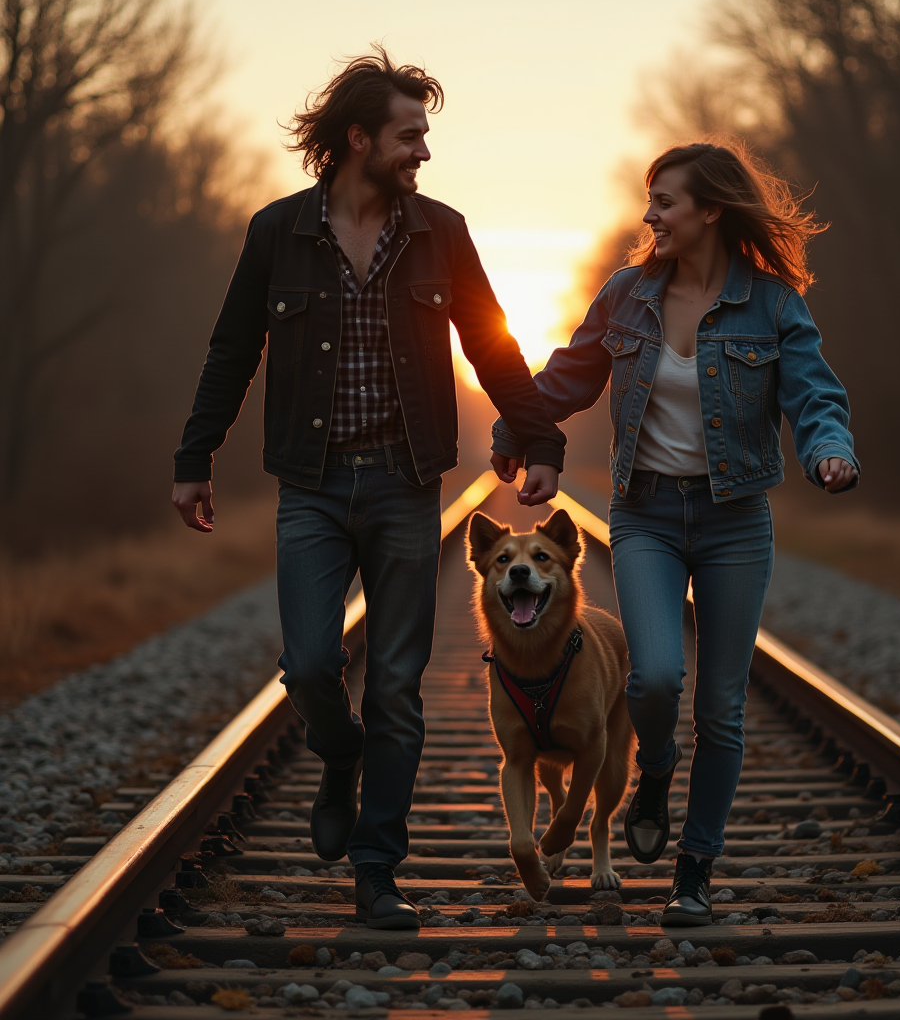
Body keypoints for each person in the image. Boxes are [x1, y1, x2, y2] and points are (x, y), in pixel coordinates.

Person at [171, 48, 564, 930]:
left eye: (423, 134)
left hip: (403, 484)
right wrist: (194, 458)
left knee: (395, 684)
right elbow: (233, 350)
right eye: (408, 134)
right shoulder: (277, 233)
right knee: (312, 666)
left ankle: (377, 872)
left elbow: (494, 344)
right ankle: (338, 755)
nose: (422, 149)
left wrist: (538, 435)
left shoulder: (441, 231)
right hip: (310, 487)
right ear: (359, 139)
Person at [491, 142, 858, 925]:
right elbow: (567, 376)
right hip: (646, 514)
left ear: (711, 211)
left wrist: (829, 449)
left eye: (665, 201)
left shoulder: (774, 304)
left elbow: (815, 393)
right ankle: (653, 768)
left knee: (722, 707)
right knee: (654, 677)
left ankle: (694, 869)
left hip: (735, 521)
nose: (649, 214)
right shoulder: (627, 295)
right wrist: (516, 426)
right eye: (648, 200)